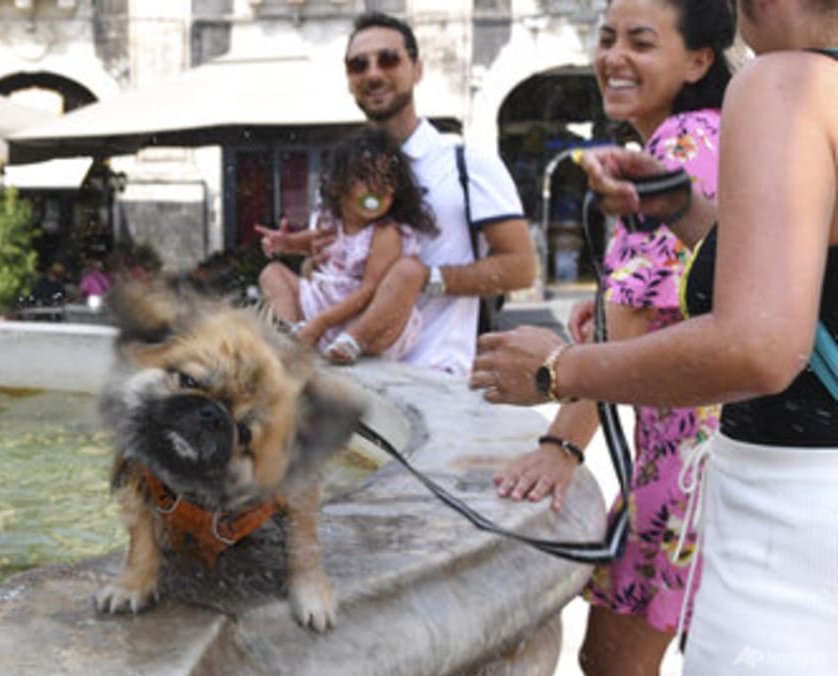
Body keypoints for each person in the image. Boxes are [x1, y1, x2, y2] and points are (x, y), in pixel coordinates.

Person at [470, 0, 838, 671]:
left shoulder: (786, 81)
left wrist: (559, 373)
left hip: (786, 509)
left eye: (640, 42)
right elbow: (807, 282)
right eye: (607, 38)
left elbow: (759, 344)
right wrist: (686, 210)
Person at [492, 0, 734, 673]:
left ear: (699, 59)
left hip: (684, 470)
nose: (613, 58)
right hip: (708, 459)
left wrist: (561, 445)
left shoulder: (680, 145)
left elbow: (629, 317)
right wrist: (603, 310)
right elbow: (687, 290)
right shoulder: (715, 135)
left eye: (641, 42)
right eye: (606, 38)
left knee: (611, 663)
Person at [258, 11, 536, 375]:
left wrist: (424, 278)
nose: (373, 73)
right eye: (358, 65)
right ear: (349, 79)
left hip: (434, 380)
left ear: (417, 69)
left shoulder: (467, 164)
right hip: (339, 382)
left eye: (388, 59)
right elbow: (321, 272)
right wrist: (313, 258)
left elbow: (521, 268)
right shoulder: (340, 175)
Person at [260, 128, 438, 363]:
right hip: (320, 311)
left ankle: (352, 339)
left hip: (367, 322)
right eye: (364, 177)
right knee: (272, 273)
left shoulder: (385, 233)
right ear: (338, 185)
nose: (376, 188)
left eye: (386, 180)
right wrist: (286, 243)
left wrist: (323, 322)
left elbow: (369, 290)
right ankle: (293, 332)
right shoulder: (330, 221)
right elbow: (314, 242)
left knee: (409, 272)